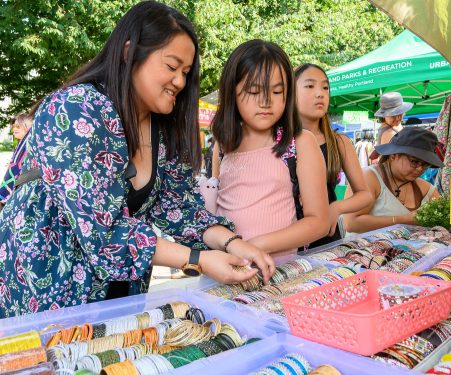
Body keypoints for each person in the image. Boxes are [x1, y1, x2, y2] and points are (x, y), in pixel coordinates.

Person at [0, 2, 274, 317]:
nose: (181, 82)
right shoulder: (74, 108)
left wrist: (233, 244)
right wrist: (197, 259)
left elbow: (182, 210)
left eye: (186, 73)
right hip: (47, 288)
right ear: (129, 53)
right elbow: (102, 233)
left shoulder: (163, 132)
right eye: (172, 67)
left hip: (119, 293)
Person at [211, 40, 329, 256]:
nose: (265, 102)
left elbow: (319, 221)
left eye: (276, 92)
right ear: (231, 92)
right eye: (254, 92)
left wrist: (255, 246)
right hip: (225, 275)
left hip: (280, 276)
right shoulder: (224, 145)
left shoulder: (300, 143)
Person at [294, 64, 371, 246]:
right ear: (290, 93)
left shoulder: (339, 142)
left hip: (327, 237)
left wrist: (336, 207)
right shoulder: (278, 141)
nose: (320, 93)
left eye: (325, 87)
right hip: (286, 237)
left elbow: (365, 194)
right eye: (310, 86)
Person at [343, 127, 442, 235]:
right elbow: (351, 223)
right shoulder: (368, 177)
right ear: (394, 155)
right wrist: (403, 220)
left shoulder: (426, 189)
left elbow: (447, 218)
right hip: (362, 250)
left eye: (425, 164)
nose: (420, 168)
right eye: (414, 161)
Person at [0, 113, 33, 207]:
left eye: (18, 126)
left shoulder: (29, 145)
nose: (14, 129)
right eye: (13, 127)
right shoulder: (21, 146)